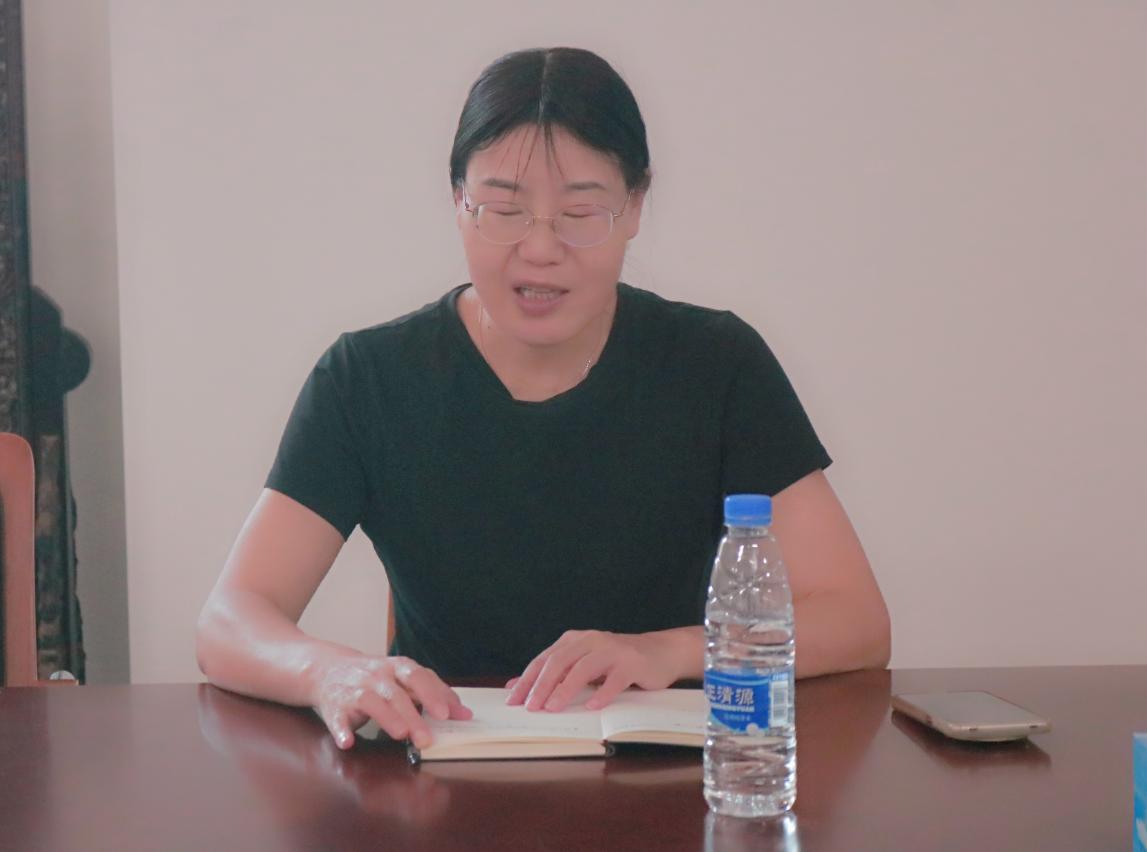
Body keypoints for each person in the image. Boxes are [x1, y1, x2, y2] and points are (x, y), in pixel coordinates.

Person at [196, 47, 890, 751]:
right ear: (457, 203)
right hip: (445, 770)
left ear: (634, 207)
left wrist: (670, 650)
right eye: (504, 209)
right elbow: (230, 619)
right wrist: (330, 673)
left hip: (666, 775)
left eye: (580, 212)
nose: (539, 249)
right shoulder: (368, 379)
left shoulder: (716, 365)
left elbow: (855, 619)